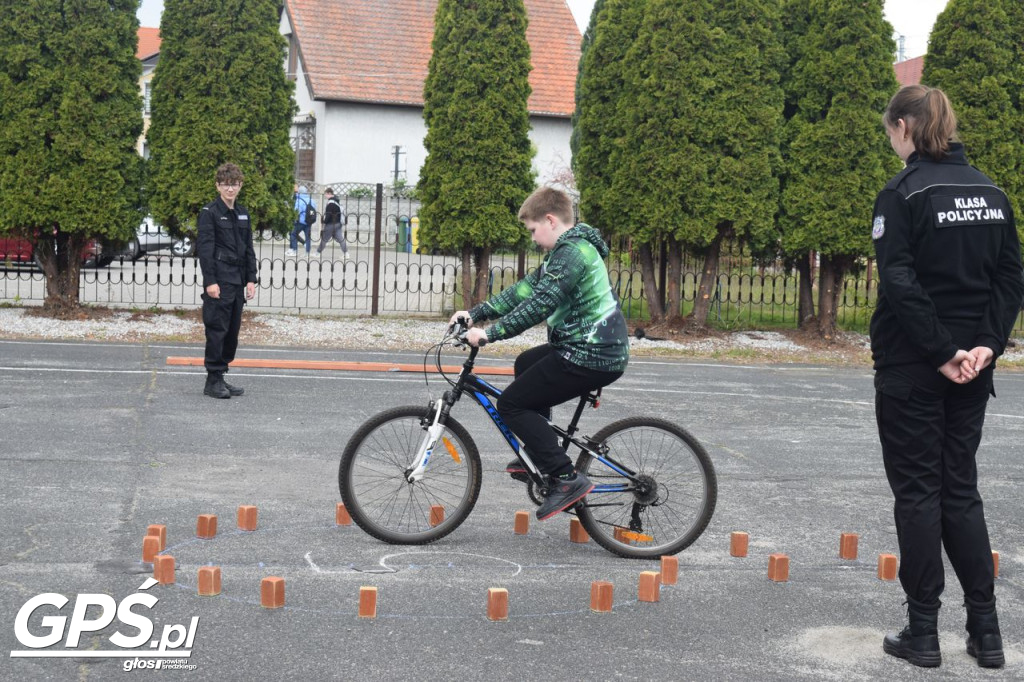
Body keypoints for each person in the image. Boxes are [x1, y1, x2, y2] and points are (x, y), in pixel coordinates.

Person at [871, 85, 1023, 669]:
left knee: (918, 495)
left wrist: (941, 351)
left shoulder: (903, 193)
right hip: (972, 369)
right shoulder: (993, 192)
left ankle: (923, 632)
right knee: (960, 491)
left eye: (890, 131)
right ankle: (986, 634)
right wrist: (984, 346)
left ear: (906, 127)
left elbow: (900, 282)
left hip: (916, 367)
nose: (891, 142)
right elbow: (1011, 279)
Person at [449, 187, 630, 521]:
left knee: (511, 404)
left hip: (593, 353)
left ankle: (565, 477)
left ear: (549, 220)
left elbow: (540, 304)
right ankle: (540, 452)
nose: (533, 238)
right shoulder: (564, 253)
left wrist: (490, 334)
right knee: (526, 362)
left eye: (533, 230)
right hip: (583, 347)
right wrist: (475, 314)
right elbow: (524, 290)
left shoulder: (573, 253)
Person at [197, 162, 258, 399]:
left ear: (240, 185)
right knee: (217, 329)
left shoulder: (242, 213)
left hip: (237, 281)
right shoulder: (209, 213)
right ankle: (212, 380)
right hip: (220, 280)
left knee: (232, 331)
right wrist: (210, 282)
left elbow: (248, 249)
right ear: (218, 186)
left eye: (233, 184)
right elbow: (205, 250)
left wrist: (251, 280)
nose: (229, 189)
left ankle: (221, 374)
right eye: (225, 185)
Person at [315, 187, 349, 260]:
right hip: (338, 224)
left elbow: (328, 215)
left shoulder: (330, 203)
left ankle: (317, 253)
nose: (325, 196)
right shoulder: (337, 201)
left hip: (331, 224)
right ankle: (346, 254)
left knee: (324, 238)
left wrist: (324, 222)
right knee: (341, 239)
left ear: (329, 193)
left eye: (326, 194)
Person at [288, 185, 315, 256]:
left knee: (293, 234)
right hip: (308, 222)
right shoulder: (311, 200)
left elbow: (296, 211)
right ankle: (307, 253)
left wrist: (294, 219)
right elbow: (313, 210)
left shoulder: (299, 200)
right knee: (308, 237)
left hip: (300, 222)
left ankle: (294, 251)